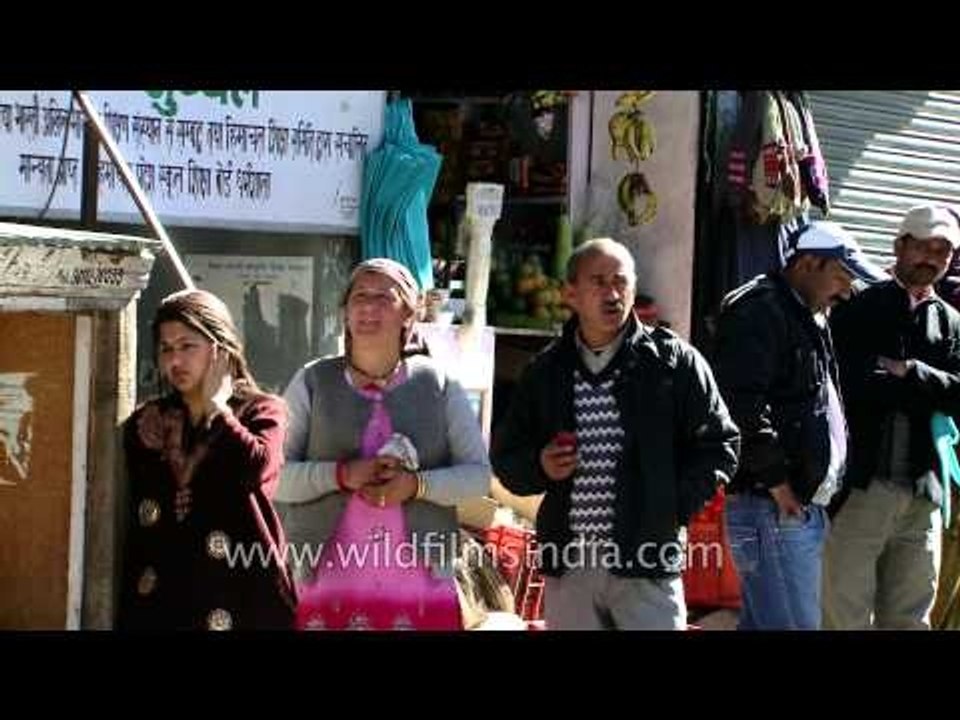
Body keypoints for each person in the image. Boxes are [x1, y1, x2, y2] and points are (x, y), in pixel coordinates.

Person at [490, 238, 739, 630]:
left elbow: (720, 444)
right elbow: (506, 458)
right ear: (570, 293)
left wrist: (671, 508)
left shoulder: (674, 363)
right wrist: (539, 466)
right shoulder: (546, 372)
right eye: (598, 282)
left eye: (621, 282)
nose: (612, 293)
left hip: (648, 563)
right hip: (571, 566)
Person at [275, 258, 490, 631]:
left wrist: (417, 485)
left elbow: (478, 477)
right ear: (345, 311)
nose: (368, 307)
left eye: (383, 298)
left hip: (420, 585)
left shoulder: (439, 385)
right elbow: (275, 477)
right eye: (359, 296)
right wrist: (342, 475)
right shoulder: (313, 381)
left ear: (408, 314)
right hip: (329, 581)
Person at [713, 221, 885, 630]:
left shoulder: (805, 313)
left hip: (786, 510)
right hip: (772, 508)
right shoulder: (760, 310)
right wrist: (779, 484)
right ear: (808, 262)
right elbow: (740, 404)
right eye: (841, 275)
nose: (846, 290)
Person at [119, 289, 296, 630]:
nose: (175, 361)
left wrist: (217, 408)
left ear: (221, 350)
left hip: (237, 593)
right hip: (165, 599)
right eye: (166, 348)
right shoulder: (152, 420)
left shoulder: (259, 411)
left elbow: (255, 468)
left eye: (188, 346)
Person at [823, 204, 960, 629]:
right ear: (899, 245)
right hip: (863, 487)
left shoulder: (951, 322)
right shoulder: (861, 305)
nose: (932, 259)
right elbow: (847, 381)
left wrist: (908, 372)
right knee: (843, 612)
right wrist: (926, 390)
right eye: (923, 247)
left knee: (910, 616)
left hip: (924, 494)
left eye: (943, 251)